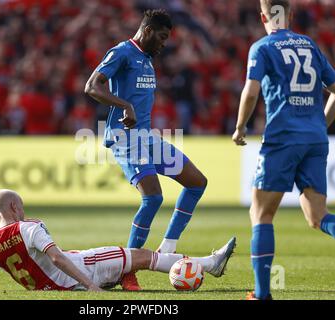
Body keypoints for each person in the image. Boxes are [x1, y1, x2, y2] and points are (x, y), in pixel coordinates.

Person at [85, 9, 223, 291]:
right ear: (146, 31)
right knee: (153, 199)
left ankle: (168, 246)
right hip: (125, 138)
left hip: (147, 138)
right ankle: (126, 270)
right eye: (161, 37)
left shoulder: (147, 60)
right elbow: (92, 86)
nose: (164, 44)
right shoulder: (122, 52)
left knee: (197, 183)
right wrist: (125, 106)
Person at [232, 0, 335, 300]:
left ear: (263, 16)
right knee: (318, 216)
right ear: (291, 14)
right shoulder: (309, 45)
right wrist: (318, 124)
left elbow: (251, 90)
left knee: (260, 214)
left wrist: (240, 127)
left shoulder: (261, 47)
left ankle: (261, 295)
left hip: (283, 137)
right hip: (314, 139)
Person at [0, 189, 236, 292]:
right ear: (15, 208)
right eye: (22, 205)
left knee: (133, 260)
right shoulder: (29, 228)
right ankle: (210, 265)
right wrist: (91, 285)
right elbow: (56, 257)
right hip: (83, 269)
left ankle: (114, 279)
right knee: (143, 256)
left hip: (56, 286)